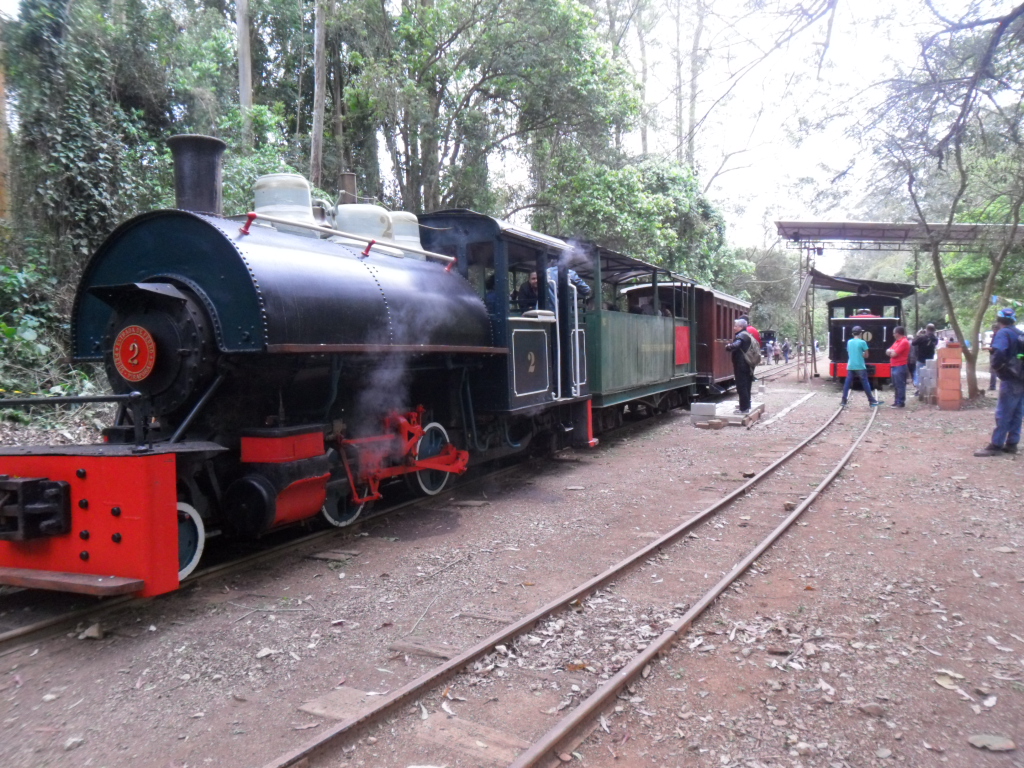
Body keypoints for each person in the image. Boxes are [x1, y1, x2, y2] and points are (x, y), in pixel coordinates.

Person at [974, 308, 1024, 456]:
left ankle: (996, 445)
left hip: (1010, 377)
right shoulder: (1019, 333)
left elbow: (1000, 351)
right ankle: (1012, 444)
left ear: (999, 320)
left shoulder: (1003, 333)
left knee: (1004, 411)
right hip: (1021, 376)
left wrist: (998, 367)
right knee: (1017, 412)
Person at [841, 326, 882, 407]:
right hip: (860, 366)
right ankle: (871, 400)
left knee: (847, 383)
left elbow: (849, 353)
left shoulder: (849, 342)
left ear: (853, 333)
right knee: (865, 383)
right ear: (860, 333)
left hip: (851, 365)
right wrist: (862, 354)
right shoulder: (863, 342)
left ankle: (843, 401)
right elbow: (866, 355)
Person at [725, 318, 755, 414]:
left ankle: (744, 408)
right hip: (748, 364)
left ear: (741, 327)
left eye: (735, 326)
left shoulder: (741, 336)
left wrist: (728, 346)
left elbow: (736, 345)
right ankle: (747, 405)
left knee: (741, 386)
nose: (734, 328)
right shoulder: (748, 334)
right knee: (747, 385)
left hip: (741, 364)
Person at [886, 325, 910, 408]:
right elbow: (887, 351)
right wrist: (891, 351)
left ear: (898, 333)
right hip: (895, 366)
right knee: (895, 385)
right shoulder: (897, 342)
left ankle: (900, 402)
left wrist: (891, 352)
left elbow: (893, 354)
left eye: (894, 333)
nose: (893, 335)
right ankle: (897, 401)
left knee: (900, 385)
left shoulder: (904, 342)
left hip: (900, 366)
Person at [911, 326, 937, 390]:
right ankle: (927, 389)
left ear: (926, 329)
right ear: (934, 330)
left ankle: (919, 389)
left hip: (920, 359)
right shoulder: (935, 339)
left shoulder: (922, 338)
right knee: (928, 376)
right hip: (930, 360)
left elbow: (913, 343)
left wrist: (918, 335)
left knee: (918, 374)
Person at [987, 322, 1000, 392]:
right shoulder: (995, 335)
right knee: (993, 371)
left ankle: (992, 386)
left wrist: (988, 348)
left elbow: (995, 347)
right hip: (993, 354)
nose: (994, 330)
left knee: (993, 371)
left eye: (995, 329)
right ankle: (992, 385)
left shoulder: (998, 336)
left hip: (995, 354)